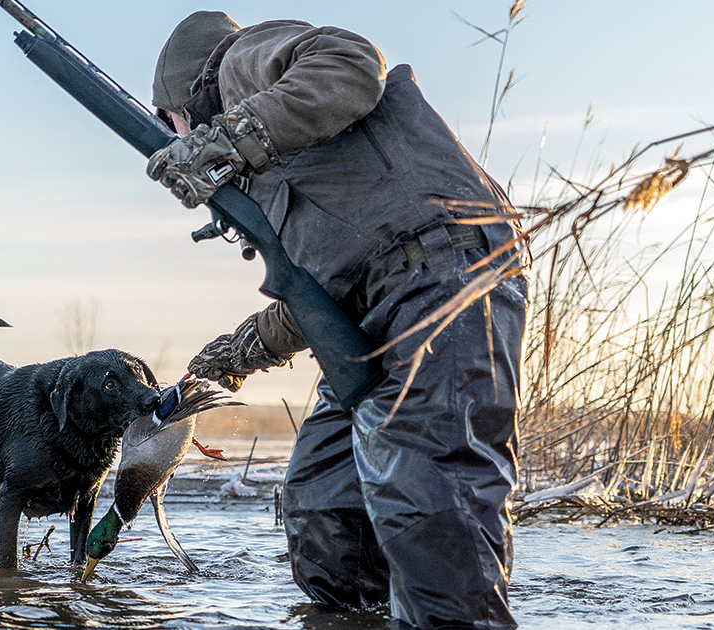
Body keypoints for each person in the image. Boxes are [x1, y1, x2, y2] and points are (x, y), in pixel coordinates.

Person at [146, 11, 529, 629]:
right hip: (380, 304)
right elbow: (322, 292)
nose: (176, 136)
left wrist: (226, 142)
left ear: (182, 100)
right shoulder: (278, 164)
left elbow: (353, 63)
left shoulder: (243, 64)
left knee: (425, 499)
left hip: (444, 282)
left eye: (171, 124)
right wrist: (240, 350)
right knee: (327, 511)